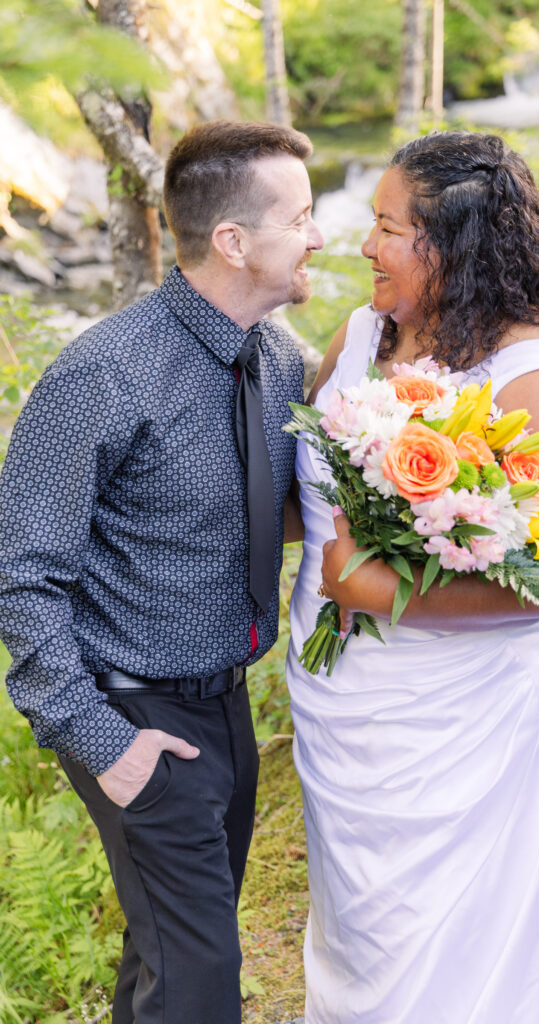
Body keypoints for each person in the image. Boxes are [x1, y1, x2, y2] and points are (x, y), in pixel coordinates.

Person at [286, 130, 539, 1023]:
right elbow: (302, 493)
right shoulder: (357, 339)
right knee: (370, 938)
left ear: (451, 241)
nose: (364, 245)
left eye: (387, 226)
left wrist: (378, 591)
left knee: (497, 944)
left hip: (492, 722)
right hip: (351, 714)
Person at [0, 120, 323, 1024]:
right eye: (301, 216)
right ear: (233, 241)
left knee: (168, 957)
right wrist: (105, 744)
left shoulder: (280, 364)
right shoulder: (100, 375)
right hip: (132, 715)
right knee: (202, 981)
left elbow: (282, 507)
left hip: (224, 706)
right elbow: (20, 574)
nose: (320, 237)